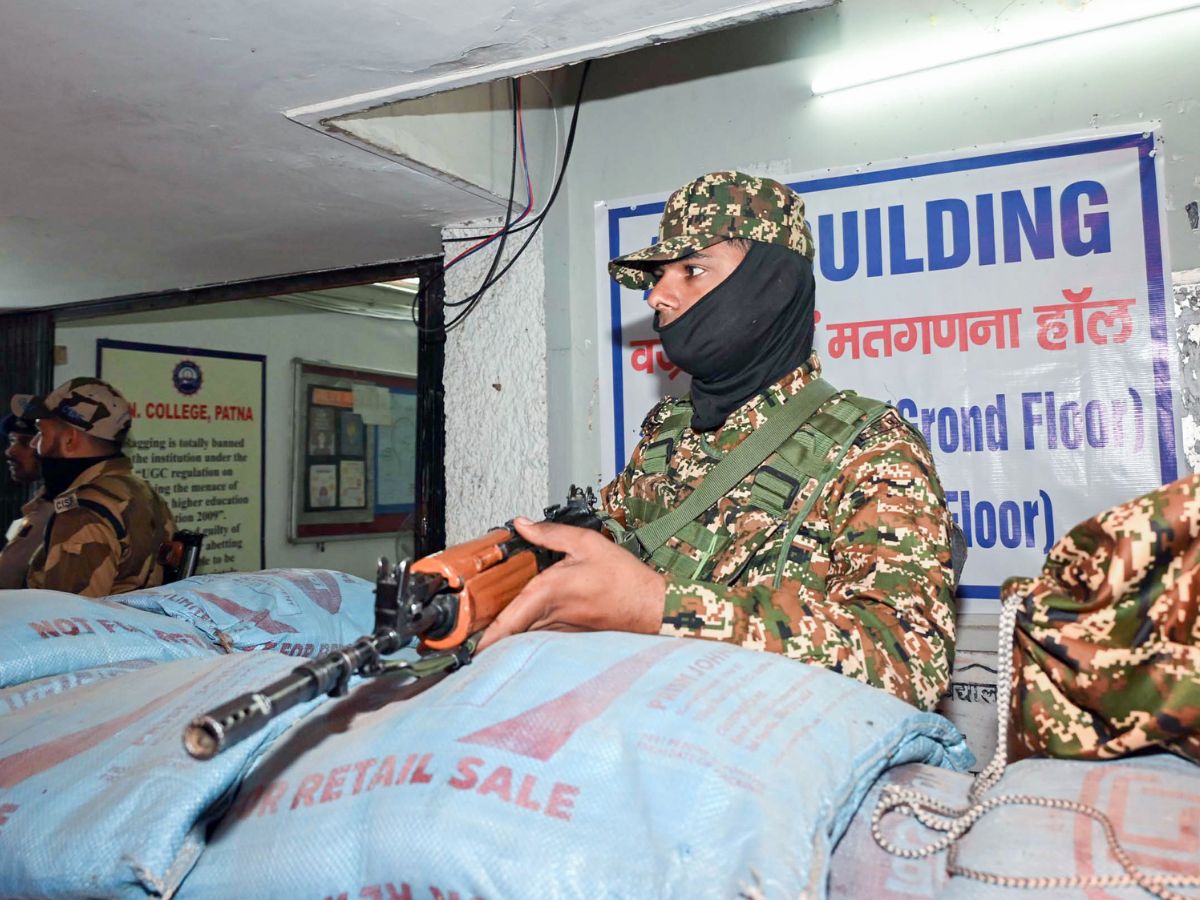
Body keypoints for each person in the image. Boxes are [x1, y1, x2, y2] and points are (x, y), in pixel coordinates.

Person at [478, 170, 958, 711]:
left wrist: (661, 607)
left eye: (692, 269)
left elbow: (908, 662)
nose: (658, 295)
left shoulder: (869, 449)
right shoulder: (668, 431)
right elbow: (618, 537)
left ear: (771, 284)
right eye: (660, 275)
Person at [10, 377, 176, 596]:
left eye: (42, 432)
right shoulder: (140, 492)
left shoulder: (81, 514)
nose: (34, 443)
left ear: (69, 440)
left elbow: (68, 613)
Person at [0, 411, 51, 588]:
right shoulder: (39, 501)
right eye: (12, 441)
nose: (10, 451)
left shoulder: (64, 508)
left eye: (25, 442)